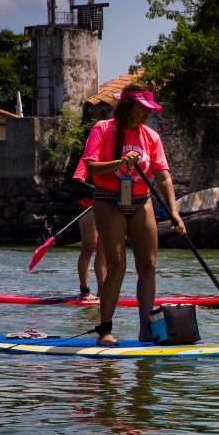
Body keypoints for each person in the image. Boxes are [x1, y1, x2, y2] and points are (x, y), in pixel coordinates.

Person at [82, 82, 186, 346]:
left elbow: (163, 176)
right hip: (108, 200)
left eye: (150, 110)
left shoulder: (151, 136)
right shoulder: (103, 129)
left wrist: (174, 211)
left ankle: (146, 330)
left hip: (141, 201)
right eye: (144, 109)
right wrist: (120, 162)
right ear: (128, 107)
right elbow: (92, 168)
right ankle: (105, 330)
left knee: (149, 266)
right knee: (117, 266)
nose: (148, 114)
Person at [71, 156, 106, 302]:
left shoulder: (111, 157)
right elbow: (77, 181)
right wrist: (96, 189)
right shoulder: (87, 159)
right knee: (89, 247)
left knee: (103, 251)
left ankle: (103, 291)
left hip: (106, 206)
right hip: (88, 207)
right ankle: (85, 291)